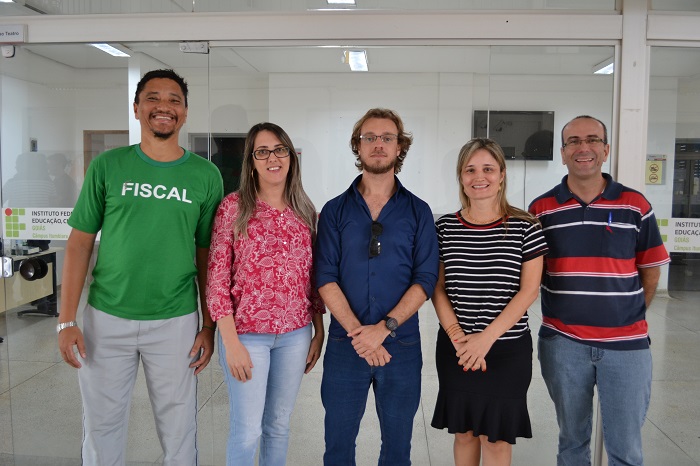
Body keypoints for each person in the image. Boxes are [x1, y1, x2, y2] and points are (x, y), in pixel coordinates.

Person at [57, 69, 224, 465]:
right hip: (106, 319)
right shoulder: (108, 166)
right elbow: (80, 244)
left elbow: (207, 257)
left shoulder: (206, 176)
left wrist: (209, 323)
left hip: (176, 321)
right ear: (136, 108)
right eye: (152, 98)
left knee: (179, 426)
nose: (163, 106)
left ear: (184, 113)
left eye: (173, 100)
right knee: (101, 427)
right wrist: (66, 321)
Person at [528, 115, 670, 466]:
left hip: (627, 348)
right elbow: (532, 275)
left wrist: (630, 312)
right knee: (572, 442)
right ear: (562, 153)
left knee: (626, 449)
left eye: (592, 140)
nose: (583, 147)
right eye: (573, 141)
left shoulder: (635, 205)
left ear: (605, 150)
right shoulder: (541, 210)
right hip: (563, 344)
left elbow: (650, 268)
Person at [315, 107, 439, 465]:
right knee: (337, 447)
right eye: (370, 137)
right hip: (345, 346)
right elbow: (325, 275)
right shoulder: (335, 210)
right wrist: (360, 334)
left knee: (398, 449)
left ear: (400, 147)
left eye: (387, 137)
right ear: (358, 146)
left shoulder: (418, 211)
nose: (379, 144)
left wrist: (383, 329)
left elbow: (425, 279)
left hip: (400, 345)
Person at [206, 122, 325, 466]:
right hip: (246, 336)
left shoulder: (305, 211)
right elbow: (216, 279)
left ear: (291, 156)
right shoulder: (234, 207)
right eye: (262, 151)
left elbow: (311, 279)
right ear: (251, 162)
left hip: (295, 335)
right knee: (246, 430)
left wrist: (319, 330)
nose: (273, 158)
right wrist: (230, 342)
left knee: (278, 426)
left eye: (280, 149)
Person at [430, 138, 548, 466]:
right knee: (464, 432)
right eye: (470, 169)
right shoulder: (445, 228)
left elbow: (528, 292)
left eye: (487, 169)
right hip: (456, 348)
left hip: (506, 349)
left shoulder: (526, 227)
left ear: (502, 175)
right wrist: (458, 337)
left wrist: (485, 339)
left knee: (495, 439)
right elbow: (436, 288)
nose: (478, 177)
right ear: (460, 176)